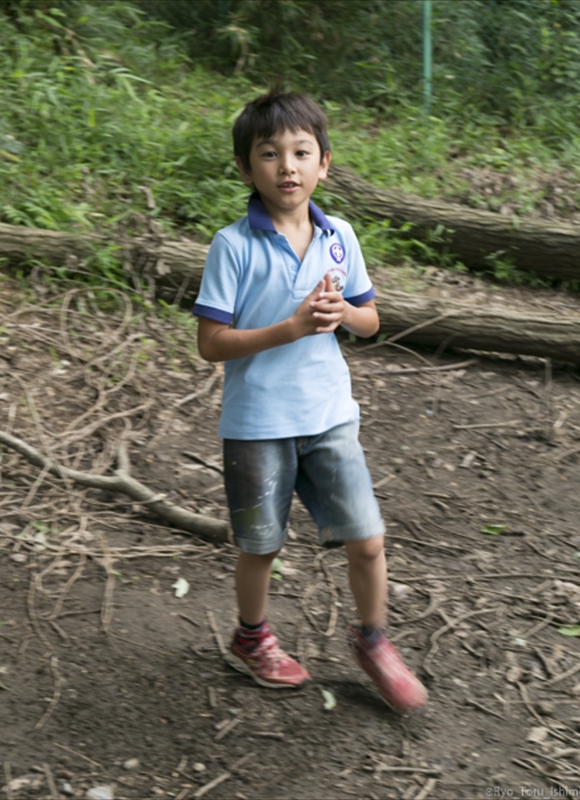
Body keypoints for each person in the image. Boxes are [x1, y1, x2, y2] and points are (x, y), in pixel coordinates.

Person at [193, 89, 427, 712]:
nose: (287, 167)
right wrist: (289, 328)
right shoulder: (233, 246)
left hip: (330, 418)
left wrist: (345, 312)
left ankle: (374, 640)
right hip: (256, 423)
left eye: (301, 152)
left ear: (325, 162)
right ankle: (252, 639)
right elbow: (211, 344)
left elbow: (371, 320)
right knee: (260, 546)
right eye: (269, 154)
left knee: (368, 539)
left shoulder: (340, 235)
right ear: (246, 169)